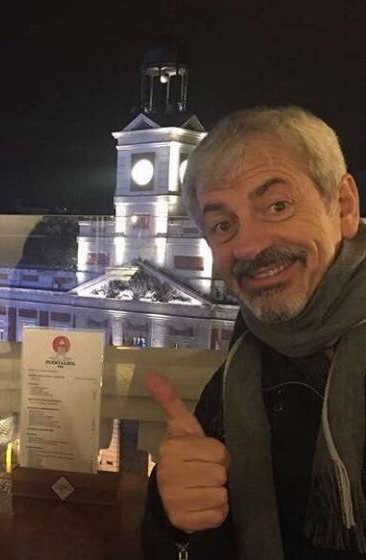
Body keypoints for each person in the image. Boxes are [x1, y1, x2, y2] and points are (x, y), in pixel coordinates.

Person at [141, 106, 365, 559]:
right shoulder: (244, 364)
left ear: (342, 205)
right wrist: (174, 518)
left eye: (277, 206)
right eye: (223, 225)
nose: (248, 245)